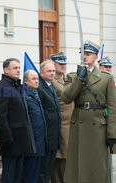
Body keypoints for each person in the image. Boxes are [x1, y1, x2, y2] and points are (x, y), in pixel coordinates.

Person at [62, 40, 116, 183]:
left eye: (88, 54)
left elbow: (112, 107)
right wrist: (79, 80)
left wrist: (112, 133)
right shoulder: (73, 76)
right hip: (78, 128)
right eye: (83, 54)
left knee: (96, 168)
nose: (85, 57)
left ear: (96, 57)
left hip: (98, 128)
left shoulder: (106, 78)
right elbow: (66, 98)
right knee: (77, 168)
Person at [0, 58, 36, 183]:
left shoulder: (16, 85)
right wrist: (8, 138)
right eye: (15, 68)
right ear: (6, 70)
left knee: (18, 177)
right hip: (11, 141)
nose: (18, 70)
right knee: (9, 176)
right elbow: (0, 116)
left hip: (21, 140)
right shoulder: (1, 87)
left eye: (19, 68)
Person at [50, 52, 74, 183]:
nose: (63, 66)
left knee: (67, 161)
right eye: (60, 63)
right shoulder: (53, 82)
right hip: (61, 126)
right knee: (60, 163)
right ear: (53, 64)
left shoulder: (65, 80)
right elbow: (66, 94)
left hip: (69, 126)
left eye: (65, 63)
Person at [37, 60, 61, 183]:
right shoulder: (39, 87)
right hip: (45, 138)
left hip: (53, 136)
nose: (52, 73)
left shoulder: (51, 86)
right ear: (41, 72)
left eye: (53, 71)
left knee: (48, 170)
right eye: (49, 71)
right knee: (43, 171)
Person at [22, 70, 47, 183]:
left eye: (37, 78)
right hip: (31, 142)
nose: (37, 81)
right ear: (25, 81)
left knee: (35, 174)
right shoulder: (24, 95)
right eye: (33, 79)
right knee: (29, 175)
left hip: (39, 141)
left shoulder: (34, 93)